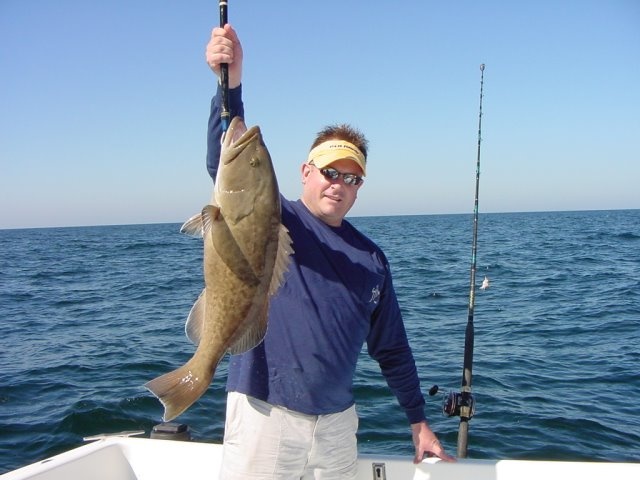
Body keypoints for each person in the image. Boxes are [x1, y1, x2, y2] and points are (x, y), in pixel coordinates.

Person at [205, 24, 455, 479]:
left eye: (352, 178)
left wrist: (418, 421)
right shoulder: (274, 217)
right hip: (264, 414)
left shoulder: (371, 259)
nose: (339, 185)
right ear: (305, 172)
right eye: (329, 172)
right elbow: (226, 166)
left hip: (337, 426)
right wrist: (229, 84)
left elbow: (392, 348)